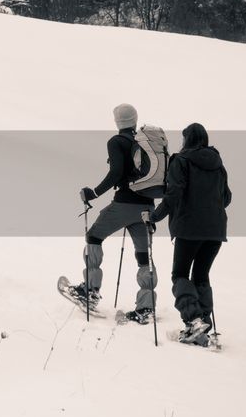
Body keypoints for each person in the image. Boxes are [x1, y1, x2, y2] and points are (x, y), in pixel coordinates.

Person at [64, 104, 159, 322]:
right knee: (144, 256)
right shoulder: (146, 143)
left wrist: (94, 193)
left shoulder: (117, 142)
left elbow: (116, 172)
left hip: (124, 204)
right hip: (147, 208)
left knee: (94, 236)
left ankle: (90, 290)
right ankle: (147, 306)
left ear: (117, 122)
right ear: (135, 119)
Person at [150, 123, 231, 344]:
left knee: (180, 275)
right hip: (215, 230)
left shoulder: (181, 161)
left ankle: (194, 320)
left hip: (189, 227)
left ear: (187, 140)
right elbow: (227, 198)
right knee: (201, 276)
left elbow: (174, 193)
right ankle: (202, 325)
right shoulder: (218, 164)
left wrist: (154, 216)